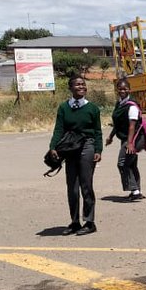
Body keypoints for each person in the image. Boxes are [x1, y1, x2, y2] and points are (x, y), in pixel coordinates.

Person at [48, 72, 103, 235]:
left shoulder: (92, 108)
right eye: (78, 84)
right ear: (70, 88)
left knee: (86, 185)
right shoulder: (64, 108)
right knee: (72, 187)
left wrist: (98, 150)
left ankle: (89, 222)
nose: (81, 87)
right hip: (70, 147)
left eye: (83, 84)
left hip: (87, 145)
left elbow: (98, 131)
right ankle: (74, 222)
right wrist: (53, 146)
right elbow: (59, 129)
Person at [105, 78, 145, 202]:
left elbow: (132, 125)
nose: (122, 90)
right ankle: (136, 190)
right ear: (117, 90)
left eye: (125, 88)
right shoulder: (120, 103)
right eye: (120, 88)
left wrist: (130, 143)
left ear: (129, 89)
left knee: (122, 163)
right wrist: (111, 137)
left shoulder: (131, 106)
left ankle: (135, 190)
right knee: (131, 164)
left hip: (134, 139)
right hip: (126, 139)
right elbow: (117, 124)